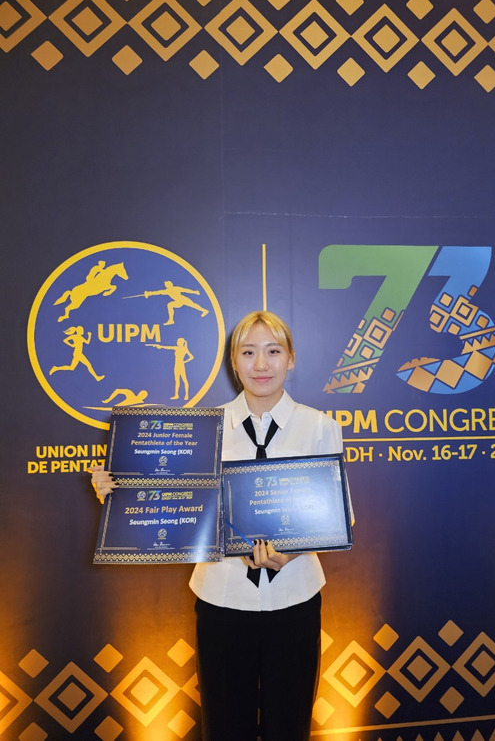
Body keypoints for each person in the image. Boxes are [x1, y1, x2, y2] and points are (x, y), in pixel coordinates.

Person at [89, 311, 344, 741]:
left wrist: (293, 549)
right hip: (222, 599)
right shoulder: (202, 428)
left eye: (273, 351)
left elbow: (339, 515)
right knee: (225, 725)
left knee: (291, 723)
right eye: (248, 352)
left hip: (296, 598)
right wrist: (115, 487)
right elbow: (169, 492)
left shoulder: (320, 426)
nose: (261, 365)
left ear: (291, 358)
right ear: (233, 361)